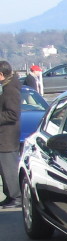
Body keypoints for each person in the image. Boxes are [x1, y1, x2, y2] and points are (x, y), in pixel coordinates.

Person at [0, 61, 20, 207]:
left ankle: (16, 196)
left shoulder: (10, 90)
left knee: (9, 168)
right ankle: (9, 195)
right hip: (5, 136)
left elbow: (13, 114)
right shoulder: (6, 87)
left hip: (7, 136)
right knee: (4, 169)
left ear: (1, 75)